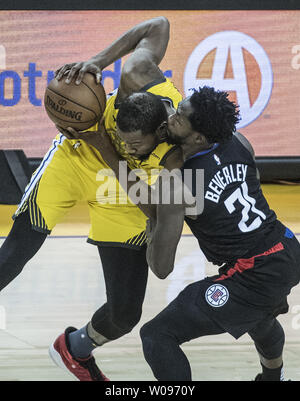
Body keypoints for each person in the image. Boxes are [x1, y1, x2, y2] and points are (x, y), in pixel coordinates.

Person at [0, 17, 183, 381]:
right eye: (121, 135)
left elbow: (155, 212)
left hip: (131, 191)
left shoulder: (178, 150)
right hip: (77, 157)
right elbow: (158, 25)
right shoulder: (137, 74)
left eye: (134, 144)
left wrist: (109, 148)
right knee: (13, 255)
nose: (126, 143)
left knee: (125, 314)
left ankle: (75, 349)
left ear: (160, 132)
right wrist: (98, 62)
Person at [136, 86, 300, 381]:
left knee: (157, 335)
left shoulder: (177, 186)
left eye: (179, 117)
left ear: (198, 137)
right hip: (286, 248)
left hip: (254, 272)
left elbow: (161, 268)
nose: (172, 117)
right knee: (258, 316)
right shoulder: (239, 141)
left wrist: (153, 223)